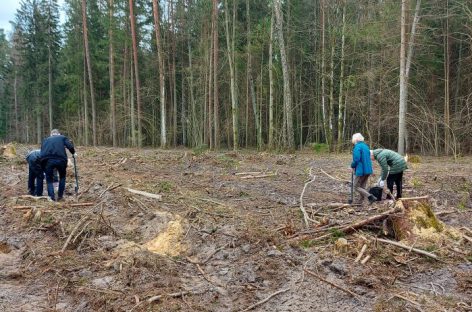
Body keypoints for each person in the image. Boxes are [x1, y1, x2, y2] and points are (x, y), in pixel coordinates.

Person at [40, 129, 76, 201]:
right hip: (61, 160)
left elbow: (42, 151)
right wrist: (73, 153)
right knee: (62, 177)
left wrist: (43, 165)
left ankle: (51, 197)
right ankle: (60, 196)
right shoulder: (62, 137)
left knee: (49, 180)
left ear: (51, 134)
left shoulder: (45, 140)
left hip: (48, 161)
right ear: (58, 134)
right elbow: (70, 146)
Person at [350, 133, 377, 204]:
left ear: (355, 139)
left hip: (360, 170)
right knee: (362, 186)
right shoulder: (366, 146)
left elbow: (356, 159)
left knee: (356, 186)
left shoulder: (357, 147)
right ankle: (360, 201)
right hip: (368, 169)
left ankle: (370, 196)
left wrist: (352, 165)